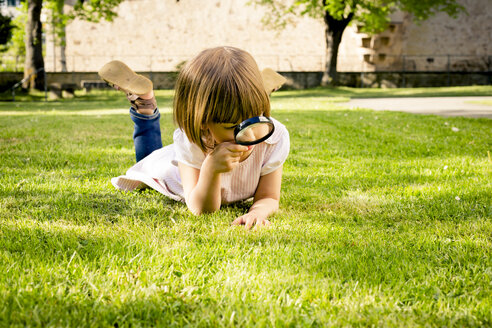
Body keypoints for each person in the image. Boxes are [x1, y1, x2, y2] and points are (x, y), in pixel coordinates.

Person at [99, 46, 289, 229]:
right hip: (172, 169)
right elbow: (202, 210)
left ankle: (251, 94)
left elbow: (269, 197)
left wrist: (257, 212)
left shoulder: (273, 137)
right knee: (146, 163)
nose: (249, 135)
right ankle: (145, 106)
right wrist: (210, 169)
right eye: (233, 127)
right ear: (203, 122)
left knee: (239, 112)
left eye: (254, 119)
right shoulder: (191, 140)